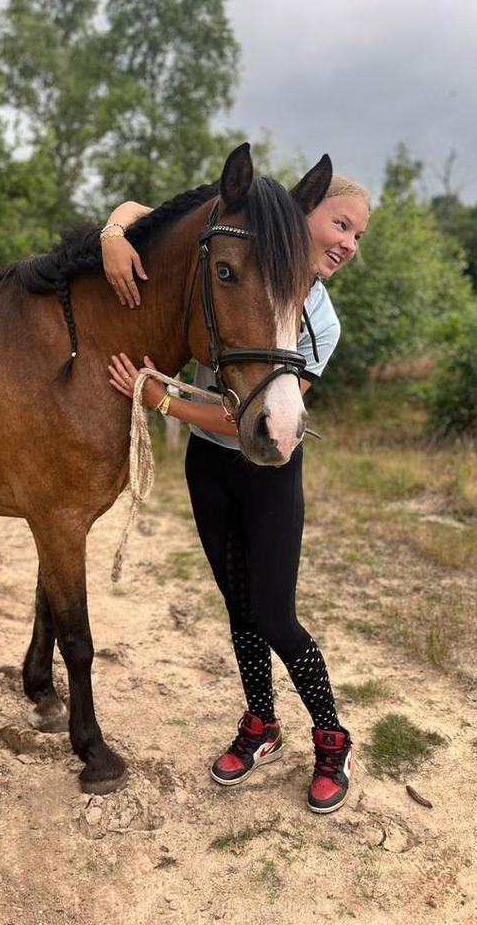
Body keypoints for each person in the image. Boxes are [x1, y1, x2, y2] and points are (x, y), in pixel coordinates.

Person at [105, 175, 370, 813]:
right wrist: (114, 233)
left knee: (275, 613)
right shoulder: (239, 249)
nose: (350, 243)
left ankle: (333, 739)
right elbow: (148, 210)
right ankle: (261, 724)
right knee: (238, 606)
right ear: (301, 214)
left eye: (359, 235)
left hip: (270, 471)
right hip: (210, 470)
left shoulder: (321, 321)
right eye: (342, 225)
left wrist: (161, 399)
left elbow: (257, 418)